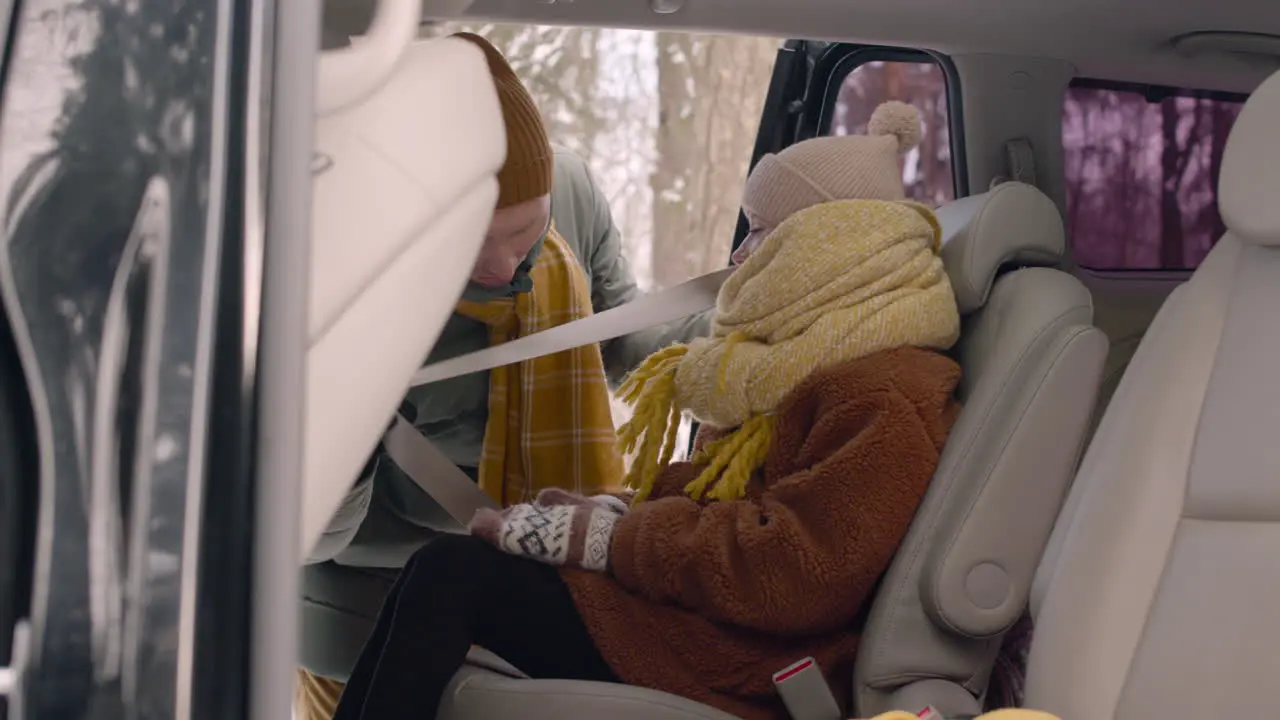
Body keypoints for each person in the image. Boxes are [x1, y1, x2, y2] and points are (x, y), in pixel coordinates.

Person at [330, 102, 968, 720]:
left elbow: (800, 572)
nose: (741, 256)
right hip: (715, 628)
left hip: (754, 662)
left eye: (762, 233)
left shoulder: (882, 394)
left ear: (827, 247)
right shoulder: (803, 366)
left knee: (453, 576)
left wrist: (616, 540)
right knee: (444, 568)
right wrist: (616, 515)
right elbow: (739, 512)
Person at [295, 33, 711, 718]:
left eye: (524, 231)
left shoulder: (570, 191)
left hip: (525, 572)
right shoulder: (346, 267)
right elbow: (312, 535)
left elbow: (623, 336)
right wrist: (356, 411)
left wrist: (734, 336)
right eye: (470, 240)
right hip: (361, 594)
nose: (500, 264)